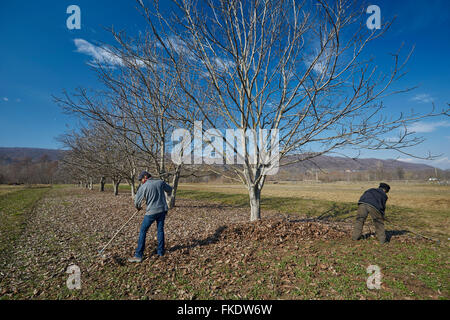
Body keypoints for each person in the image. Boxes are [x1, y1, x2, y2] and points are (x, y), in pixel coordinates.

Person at [128, 171, 173, 263]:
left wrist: (138, 207)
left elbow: (137, 201)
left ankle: (138, 255)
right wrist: (166, 196)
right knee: (160, 230)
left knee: (143, 231)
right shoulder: (160, 182)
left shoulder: (143, 187)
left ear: (145, 177)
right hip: (162, 210)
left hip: (151, 212)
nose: (141, 181)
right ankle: (160, 252)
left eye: (142, 179)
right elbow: (169, 189)